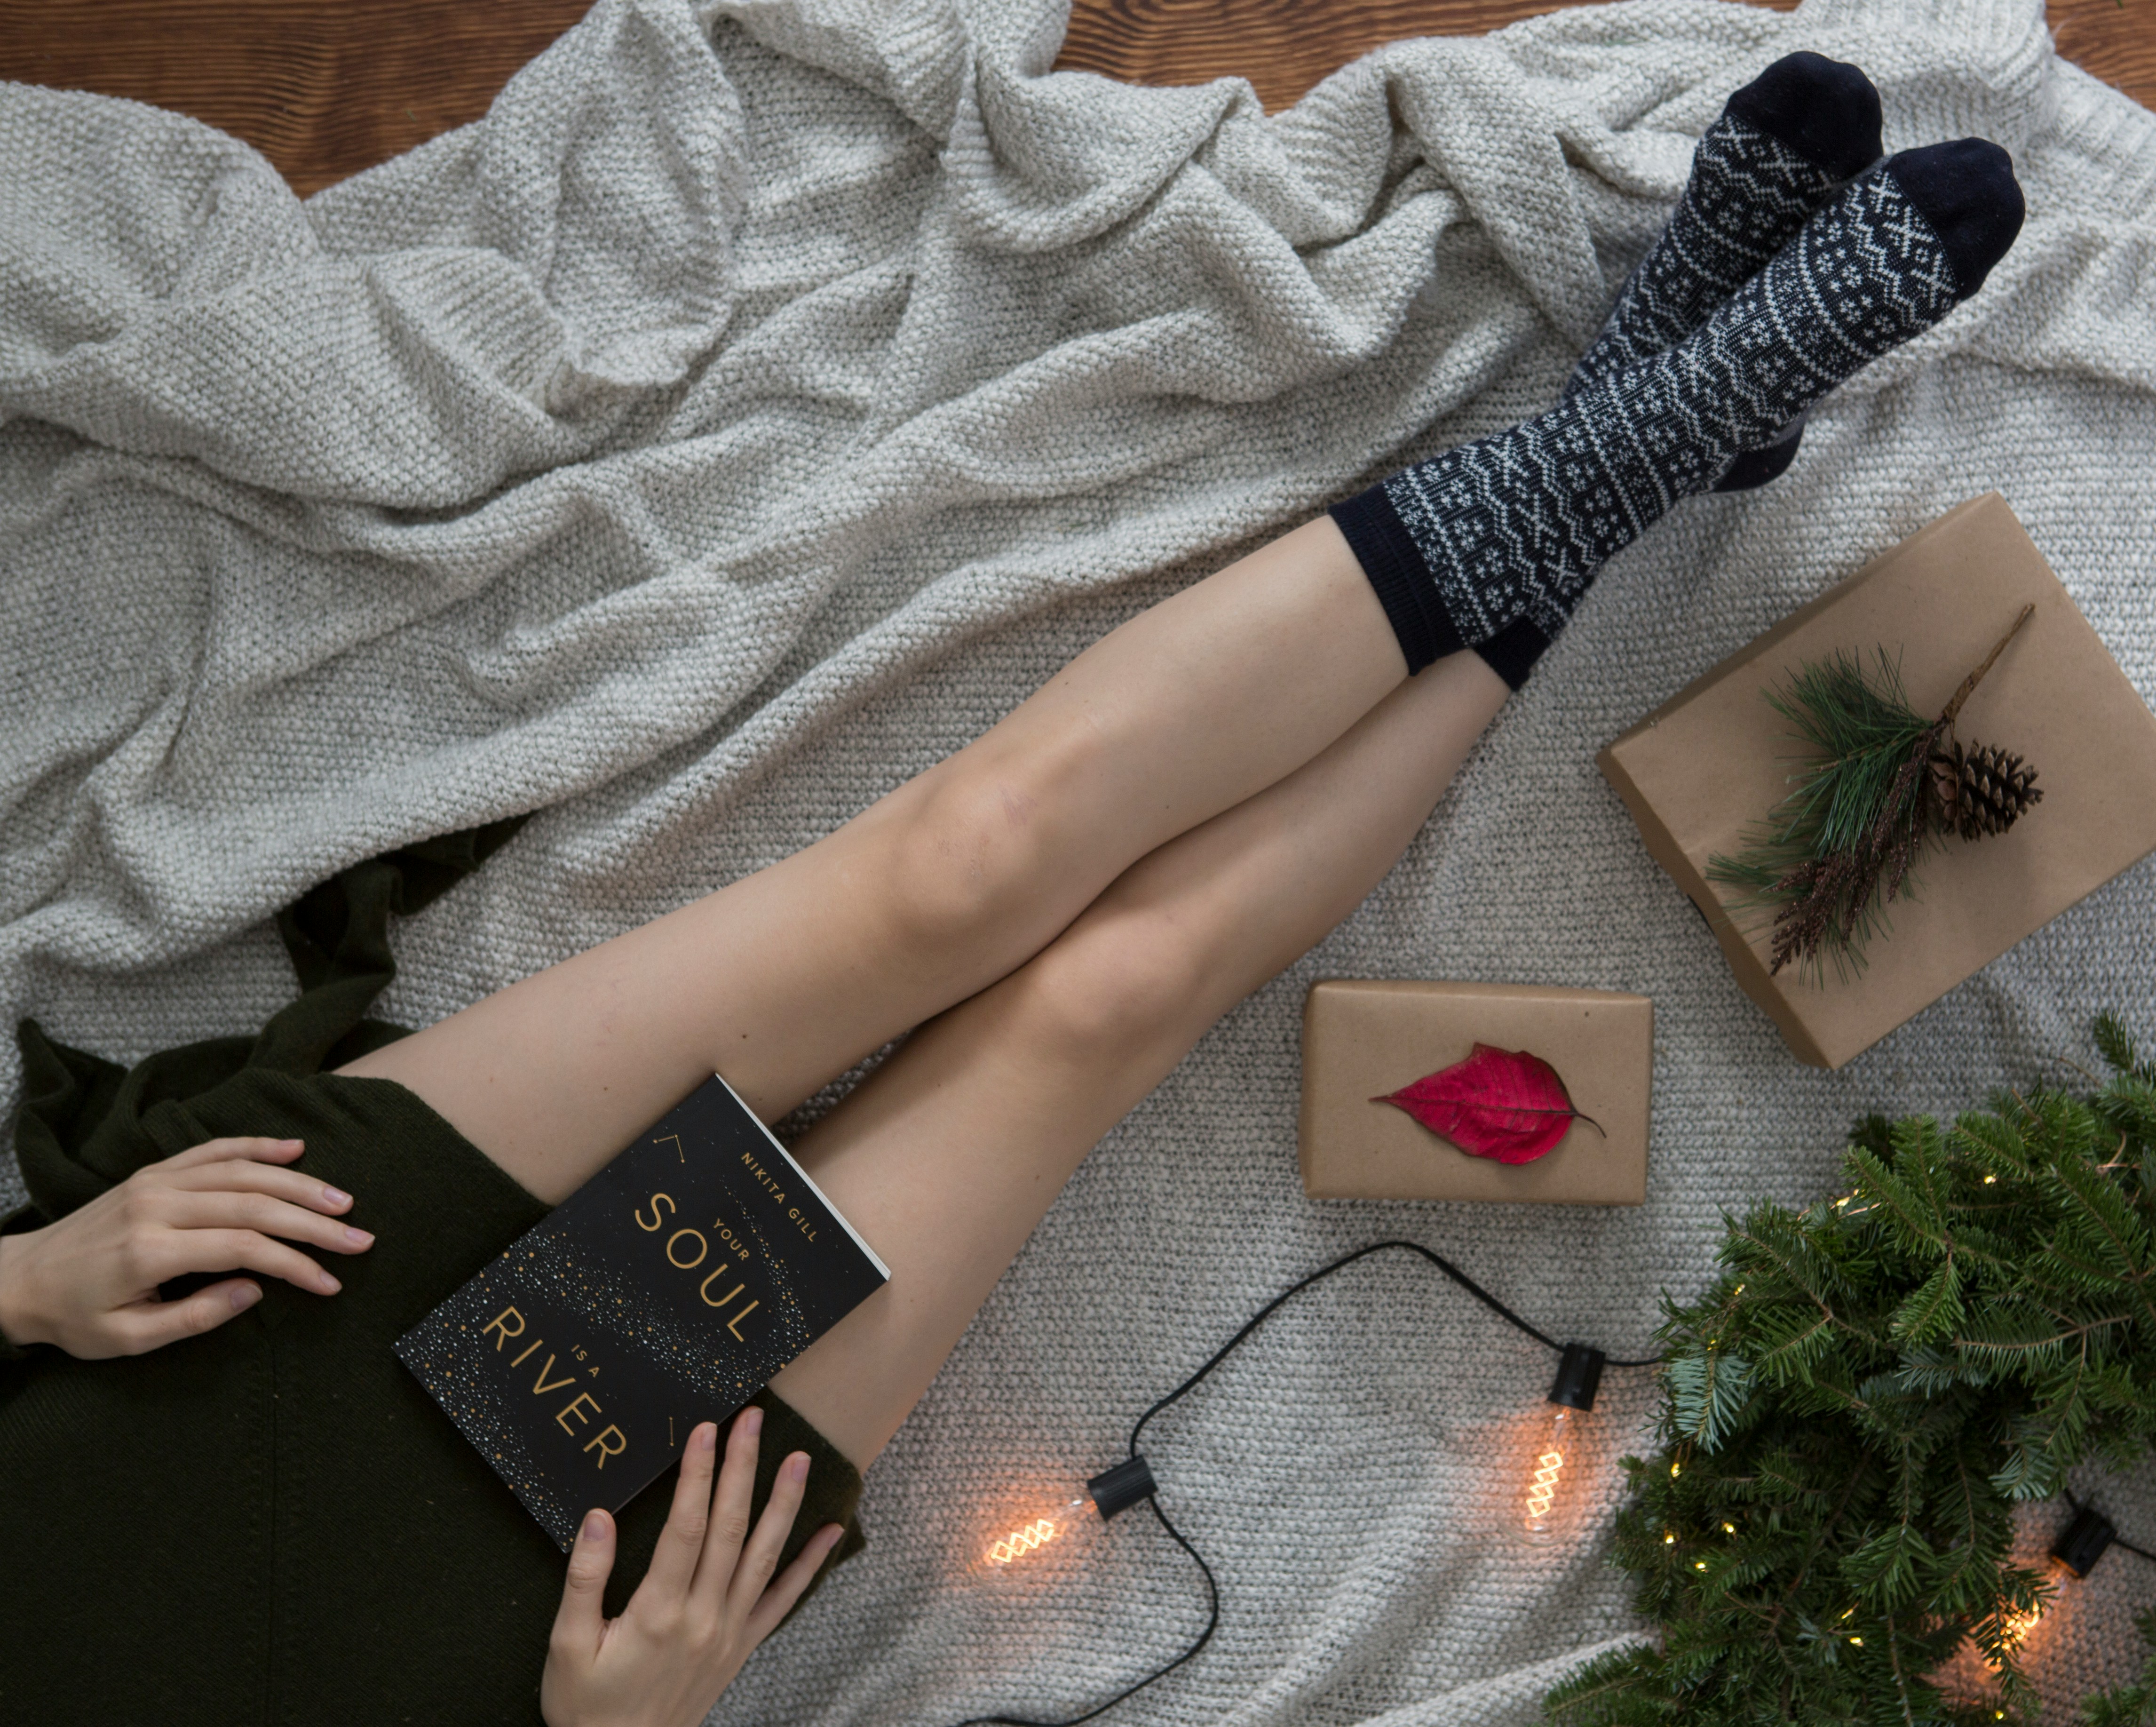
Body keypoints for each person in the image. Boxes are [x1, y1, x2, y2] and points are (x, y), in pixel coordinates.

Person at [0, 55, 2020, 1727]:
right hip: (554, 1590)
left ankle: (1658, 420)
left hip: (226, 1330)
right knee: (1098, 1003)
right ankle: (1667, 425)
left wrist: (18, 1282)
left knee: (958, 871)